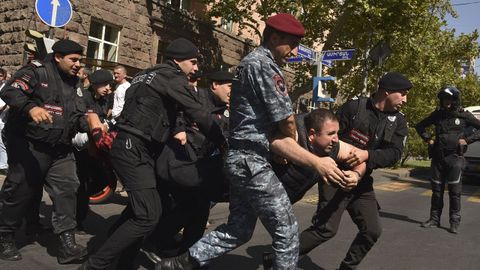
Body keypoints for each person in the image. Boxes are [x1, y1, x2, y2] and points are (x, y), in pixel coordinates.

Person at [157, 13, 346, 270]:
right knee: (287, 232)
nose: (295, 51)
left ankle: (178, 264)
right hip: (252, 161)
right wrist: (296, 150)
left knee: (239, 229)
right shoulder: (264, 65)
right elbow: (287, 120)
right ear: (275, 37)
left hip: (242, 159)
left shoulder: (252, 63)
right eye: (291, 43)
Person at [78, 38, 224, 270]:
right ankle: (95, 265)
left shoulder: (146, 74)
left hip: (133, 146)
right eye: (193, 62)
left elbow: (166, 110)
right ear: (177, 60)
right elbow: (198, 113)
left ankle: (122, 262)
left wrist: (176, 130)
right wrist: (224, 143)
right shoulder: (172, 77)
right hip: (134, 147)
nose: (196, 68)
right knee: (147, 215)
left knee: (147, 208)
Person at [297, 72, 412, 270]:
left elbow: (394, 153)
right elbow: (330, 139)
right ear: (387, 92)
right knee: (325, 229)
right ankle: (277, 256)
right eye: (402, 94)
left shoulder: (398, 122)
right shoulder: (354, 108)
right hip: (336, 175)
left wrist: (365, 157)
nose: (405, 99)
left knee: (372, 230)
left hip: (361, 181)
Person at [0, 39, 88, 264]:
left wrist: (89, 124)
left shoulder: (74, 82)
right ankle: (5, 237)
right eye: (74, 60)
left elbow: (76, 115)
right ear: (58, 57)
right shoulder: (36, 71)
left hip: (60, 148)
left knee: (68, 188)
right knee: (20, 190)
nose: (78, 64)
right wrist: (31, 107)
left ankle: (67, 244)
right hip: (29, 143)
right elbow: (10, 91)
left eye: (80, 60)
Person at [415, 86, 480, 234]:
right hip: (438, 158)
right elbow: (420, 126)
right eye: (444, 98)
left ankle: (454, 222)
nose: (446, 101)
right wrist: (428, 139)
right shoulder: (438, 115)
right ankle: (434, 219)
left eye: (449, 98)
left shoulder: (464, 115)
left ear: (455, 100)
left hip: (455, 158)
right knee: (436, 191)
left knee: (454, 192)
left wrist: (467, 140)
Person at [73, 69, 115, 232]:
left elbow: (103, 119)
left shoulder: (104, 99)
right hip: (80, 147)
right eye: (104, 84)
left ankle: (77, 212)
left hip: (95, 149)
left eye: (109, 85)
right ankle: (76, 220)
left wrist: (103, 126)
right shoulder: (83, 97)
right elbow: (82, 121)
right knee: (81, 184)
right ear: (95, 84)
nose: (108, 88)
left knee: (98, 180)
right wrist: (96, 126)